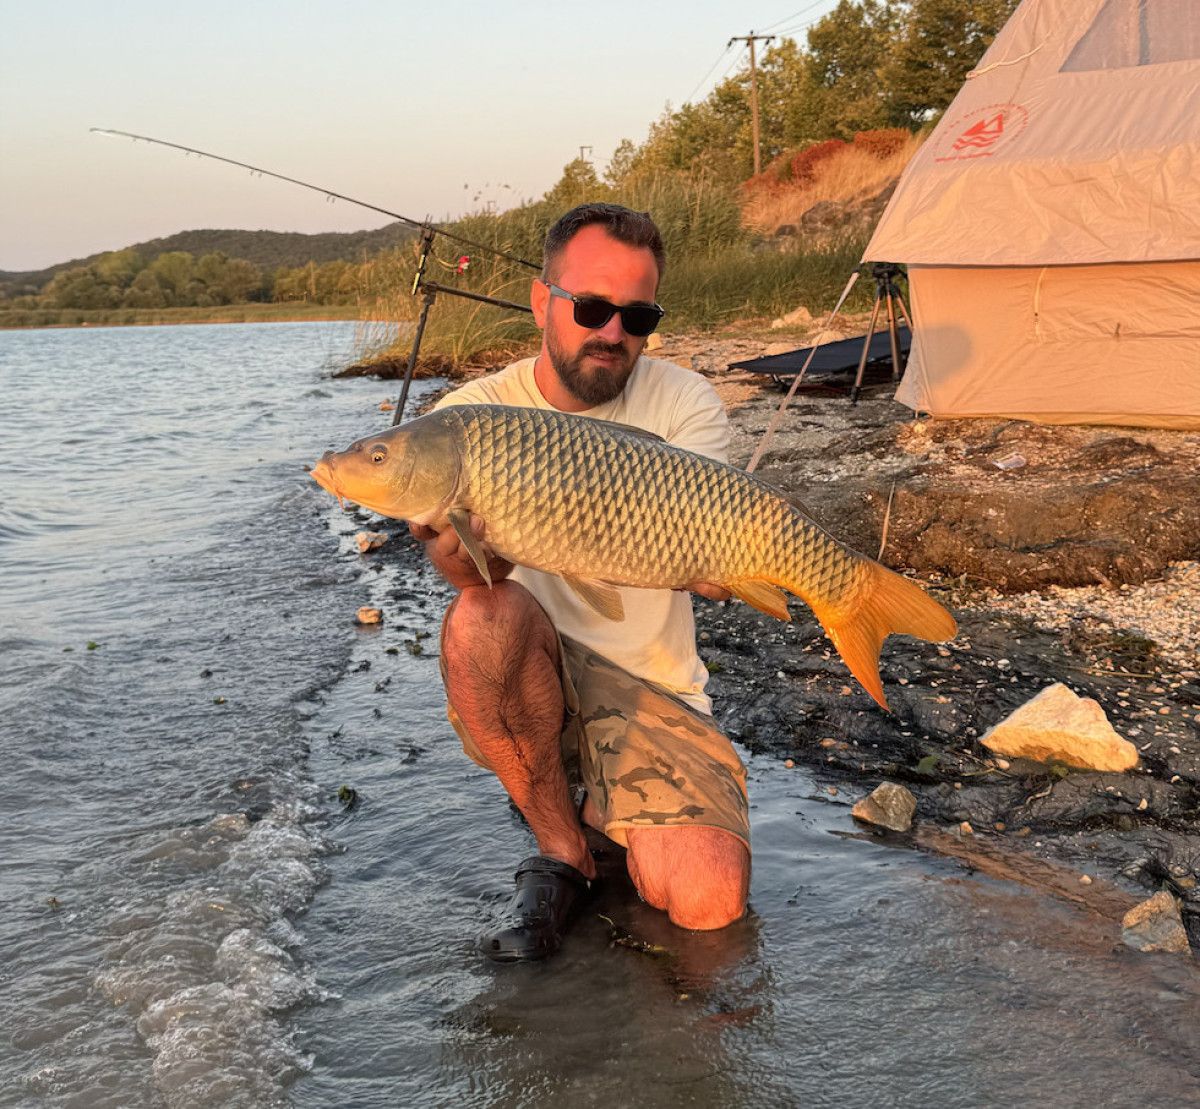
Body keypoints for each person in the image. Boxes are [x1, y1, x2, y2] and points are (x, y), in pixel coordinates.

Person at [411, 202, 750, 962]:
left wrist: (741, 565)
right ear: (542, 302)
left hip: (652, 685)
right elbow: (460, 574)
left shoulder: (684, 402)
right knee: (482, 612)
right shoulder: (468, 419)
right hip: (537, 666)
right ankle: (564, 845)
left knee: (707, 905)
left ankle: (607, 801)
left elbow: (713, 539)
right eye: (593, 308)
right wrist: (461, 543)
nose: (613, 333)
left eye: (638, 317)